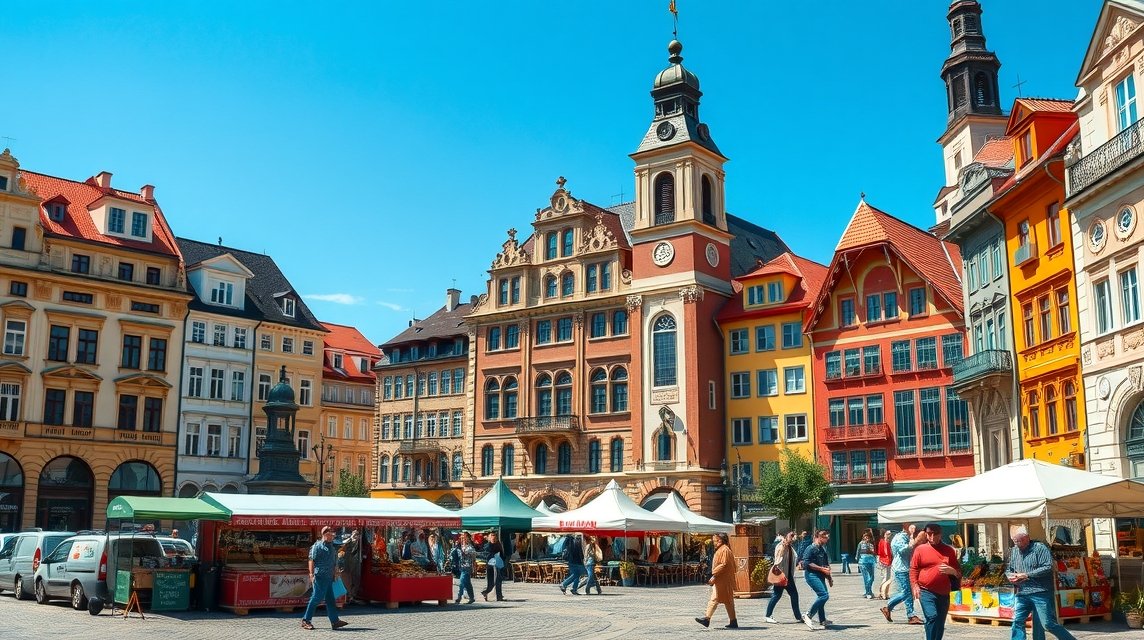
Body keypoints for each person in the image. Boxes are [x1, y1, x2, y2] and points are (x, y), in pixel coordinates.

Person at [1006, 526, 1077, 640]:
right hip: (1023, 592)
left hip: (1041, 592)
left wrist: (1027, 575)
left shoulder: (1039, 548)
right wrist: (1010, 576)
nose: (1017, 544)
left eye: (1019, 541)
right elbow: (1009, 568)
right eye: (1015, 541)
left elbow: (1048, 567)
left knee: (1047, 624)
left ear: (1027, 538)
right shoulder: (1014, 551)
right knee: (1017, 620)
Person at [910, 523, 961, 640]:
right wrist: (915, 585)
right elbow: (913, 569)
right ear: (926, 534)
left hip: (943, 592)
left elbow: (958, 572)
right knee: (932, 616)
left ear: (940, 534)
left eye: (935, 534)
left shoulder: (948, 550)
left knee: (939, 622)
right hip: (926, 590)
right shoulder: (920, 549)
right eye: (929, 534)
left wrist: (952, 571)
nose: (932, 537)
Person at [301, 526, 349, 630]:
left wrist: (335, 571)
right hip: (320, 576)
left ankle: (335, 621)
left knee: (330, 600)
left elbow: (333, 560)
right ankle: (306, 620)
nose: (332, 536)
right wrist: (311, 574)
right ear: (324, 534)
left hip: (329, 577)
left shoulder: (332, 546)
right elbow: (311, 560)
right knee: (315, 599)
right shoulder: (317, 546)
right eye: (330, 534)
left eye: (332, 534)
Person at [881, 524, 924, 625]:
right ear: (905, 526)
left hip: (907, 567)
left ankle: (908, 614)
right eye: (912, 526)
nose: (914, 528)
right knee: (907, 592)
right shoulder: (899, 537)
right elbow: (903, 551)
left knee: (908, 592)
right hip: (901, 568)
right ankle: (907, 614)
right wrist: (915, 542)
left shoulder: (907, 537)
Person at [695, 532, 738, 629]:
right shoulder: (723, 549)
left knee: (716, 599)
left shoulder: (725, 550)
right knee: (728, 601)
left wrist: (714, 574)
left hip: (723, 579)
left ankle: (707, 619)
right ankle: (733, 621)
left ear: (720, 540)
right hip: (723, 579)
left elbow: (724, 564)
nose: (714, 542)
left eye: (715, 540)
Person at [764, 530, 803, 624]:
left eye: (793, 535)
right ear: (785, 537)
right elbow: (777, 560)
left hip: (789, 576)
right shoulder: (780, 546)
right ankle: (768, 616)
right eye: (791, 536)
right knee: (777, 595)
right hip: (781, 575)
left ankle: (798, 617)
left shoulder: (790, 547)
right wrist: (783, 547)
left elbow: (794, 559)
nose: (793, 538)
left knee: (794, 595)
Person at [800, 529, 833, 631]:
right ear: (819, 537)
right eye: (825, 537)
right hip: (811, 575)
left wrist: (829, 577)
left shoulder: (822, 549)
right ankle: (808, 615)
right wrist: (822, 569)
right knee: (824, 595)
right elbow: (807, 563)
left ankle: (822, 620)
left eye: (827, 537)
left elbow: (825, 565)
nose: (827, 539)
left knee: (822, 596)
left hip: (820, 575)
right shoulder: (810, 548)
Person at [482, 531, 506, 601]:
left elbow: (502, 554)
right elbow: (487, 554)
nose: (493, 537)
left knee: (498, 580)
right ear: (489, 538)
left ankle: (499, 596)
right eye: (491, 536)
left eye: (494, 535)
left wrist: (502, 562)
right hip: (490, 565)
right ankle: (486, 592)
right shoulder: (487, 546)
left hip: (497, 564)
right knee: (491, 582)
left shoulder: (498, 544)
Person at [454, 531, 476, 604]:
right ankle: (472, 597)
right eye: (462, 537)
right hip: (462, 567)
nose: (462, 539)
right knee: (467, 583)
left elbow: (473, 557)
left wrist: (474, 568)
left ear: (468, 538)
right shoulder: (461, 546)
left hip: (467, 567)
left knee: (461, 582)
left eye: (464, 537)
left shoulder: (470, 547)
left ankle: (459, 597)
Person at [857, 530, 877, 599]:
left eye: (868, 537)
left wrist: (875, 559)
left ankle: (868, 591)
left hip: (871, 562)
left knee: (872, 578)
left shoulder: (871, 544)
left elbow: (874, 553)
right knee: (866, 578)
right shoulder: (861, 544)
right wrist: (858, 561)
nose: (866, 538)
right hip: (863, 562)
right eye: (865, 537)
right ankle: (868, 592)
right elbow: (858, 552)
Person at [877, 529, 894, 599]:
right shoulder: (885, 542)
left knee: (886, 578)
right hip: (885, 561)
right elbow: (886, 553)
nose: (889, 536)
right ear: (884, 534)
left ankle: (884, 593)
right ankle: (882, 593)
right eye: (888, 534)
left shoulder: (882, 541)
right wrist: (889, 560)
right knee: (886, 578)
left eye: (890, 534)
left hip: (883, 561)